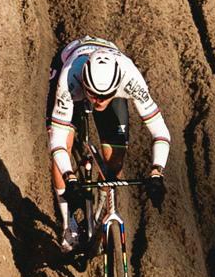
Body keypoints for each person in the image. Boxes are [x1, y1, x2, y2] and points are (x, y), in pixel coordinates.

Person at [49, 36, 171, 252]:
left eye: (105, 96)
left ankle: (99, 209)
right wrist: (70, 176)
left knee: (114, 162)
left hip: (106, 69)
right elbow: (56, 141)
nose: (99, 101)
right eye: (94, 95)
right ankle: (68, 225)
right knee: (64, 144)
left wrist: (157, 171)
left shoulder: (131, 79)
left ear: (117, 87)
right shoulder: (70, 78)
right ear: (86, 85)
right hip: (71, 60)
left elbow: (160, 132)